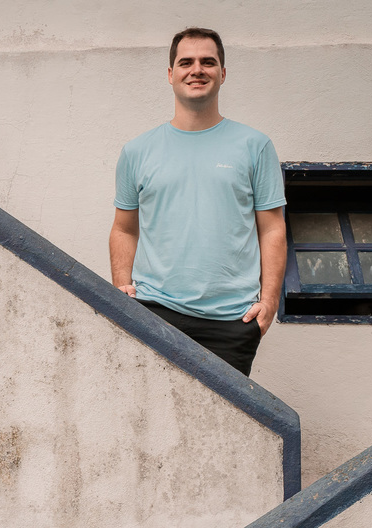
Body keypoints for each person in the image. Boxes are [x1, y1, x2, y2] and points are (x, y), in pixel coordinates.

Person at [110, 27, 287, 377]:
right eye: (186, 62)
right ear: (171, 74)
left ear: (222, 73)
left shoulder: (255, 146)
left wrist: (268, 303)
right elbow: (123, 228)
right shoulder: (137, 151)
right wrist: (120, 290)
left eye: (208, 62)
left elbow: (272, 230)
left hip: (231, 320)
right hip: (153, 310)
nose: (197, 70)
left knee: (225, 428)